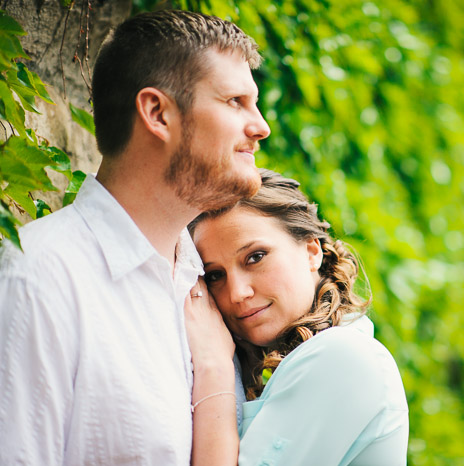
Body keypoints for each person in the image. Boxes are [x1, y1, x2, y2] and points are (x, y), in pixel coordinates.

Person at [0, 10, 270, 465]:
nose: (260, 126)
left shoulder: (208, 284)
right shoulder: (40, 281)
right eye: (234, 101)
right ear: (157, 112)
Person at [185, 169, 409, 465]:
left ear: (311, 251)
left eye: (255, 257)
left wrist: (213, 365)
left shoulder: (341, 356)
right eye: (215, 275)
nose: (237, 293)